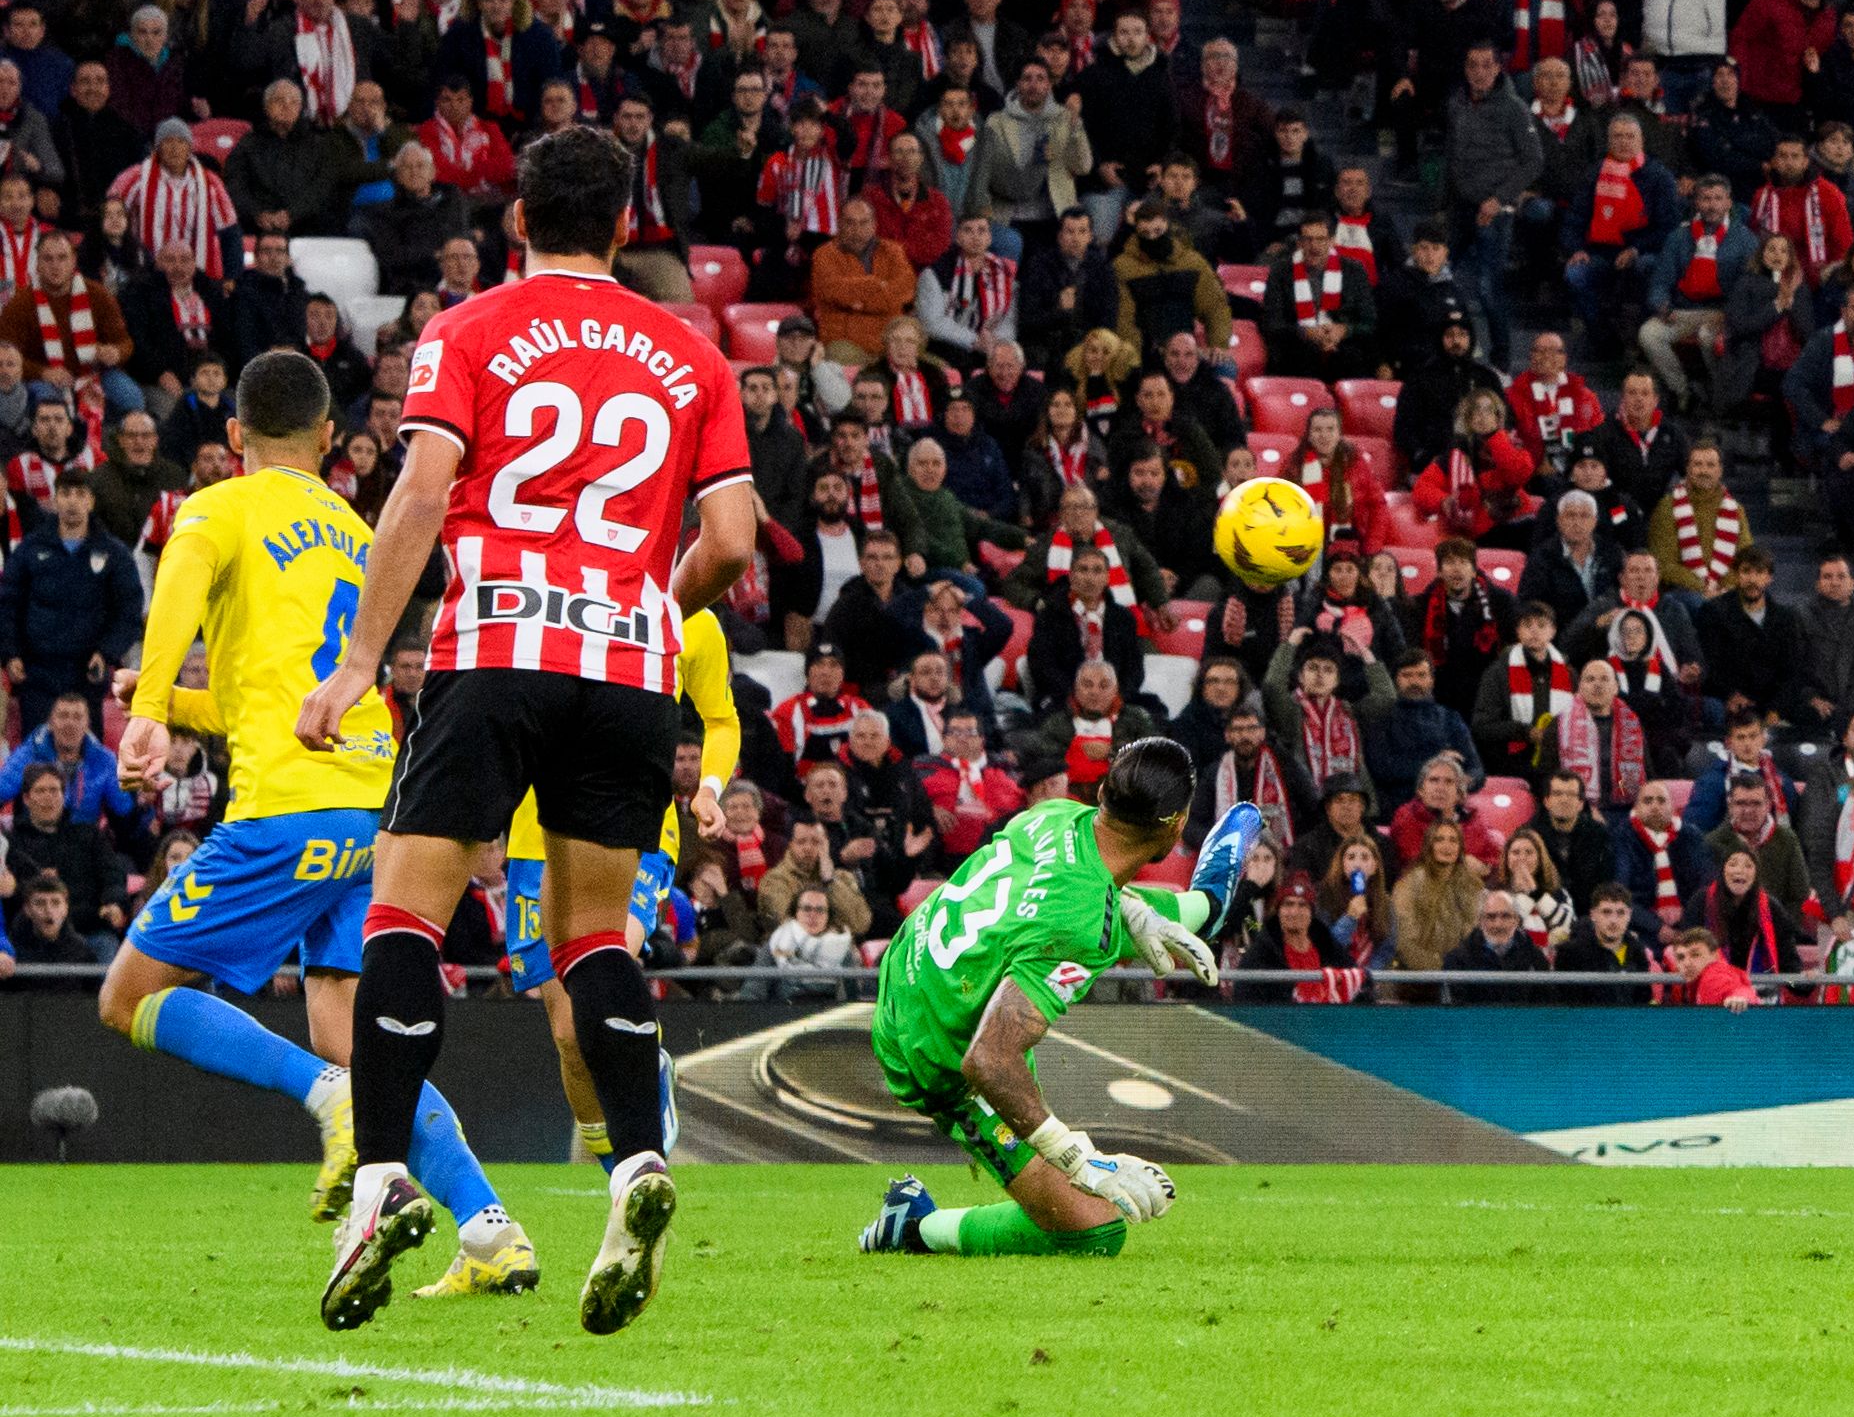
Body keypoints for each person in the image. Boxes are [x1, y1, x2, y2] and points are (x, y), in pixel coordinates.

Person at [291, 126, 756, 1336]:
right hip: (628, 668)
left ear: (516, 222)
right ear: (624, 226)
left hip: (495, 647)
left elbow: (423, 490)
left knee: (404, 914)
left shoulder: (469, 330)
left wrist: (353, 668)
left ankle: (384, 1181)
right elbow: (738, 544)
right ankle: (638, 1167)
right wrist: (647, 607)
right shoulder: (695, 354)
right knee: (592, 937)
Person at [97, 349, 529, 1293]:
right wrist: (171, 704)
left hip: (288, 811)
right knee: (353, 1024)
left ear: (232, 437)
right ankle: (490, 1226)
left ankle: (324, 1098)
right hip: (378, 809)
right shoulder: (353, 528)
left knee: (127, 997)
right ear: (332, 439)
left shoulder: (216, 507)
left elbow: (175, 590)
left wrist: (148, 702)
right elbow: (276, 697)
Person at [855, 749, 1261, 1258]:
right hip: (936, 1043)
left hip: (918, 964)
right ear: (1177, 827)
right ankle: (914, 1226)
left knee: (1181, 913)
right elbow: (988, 1060)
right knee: (1093, 1231)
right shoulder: (1078, 927)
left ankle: (1204, 907)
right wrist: (1079, 1158)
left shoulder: (1058, 812)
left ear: (1102, 794)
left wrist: (1131, 913)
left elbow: (1055, 891)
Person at [498, 607, 740, 1168]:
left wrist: (707, 789)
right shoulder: (542, 596)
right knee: (567, 1033)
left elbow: (721, 720)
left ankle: (641, 1075)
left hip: (638, 826)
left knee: (605, 959)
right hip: (537, 837)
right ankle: (622, 1174)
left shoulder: (691, 616)